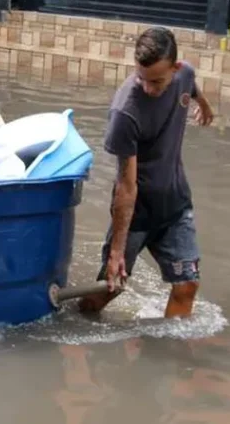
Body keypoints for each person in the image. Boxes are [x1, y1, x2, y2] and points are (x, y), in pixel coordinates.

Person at [79, 26, 214, 319]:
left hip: (175, 206)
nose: (148, 88)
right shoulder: (125, 113)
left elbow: (190, 84)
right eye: (142, 78)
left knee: (187, 285)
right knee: (110, 289)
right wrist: (117, 252)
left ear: (175, 68)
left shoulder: (185, 74)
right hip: (136, 214)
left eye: (157, 81)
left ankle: (169, 355)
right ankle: (77, 322)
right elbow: (126, 186)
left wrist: (203, 104)